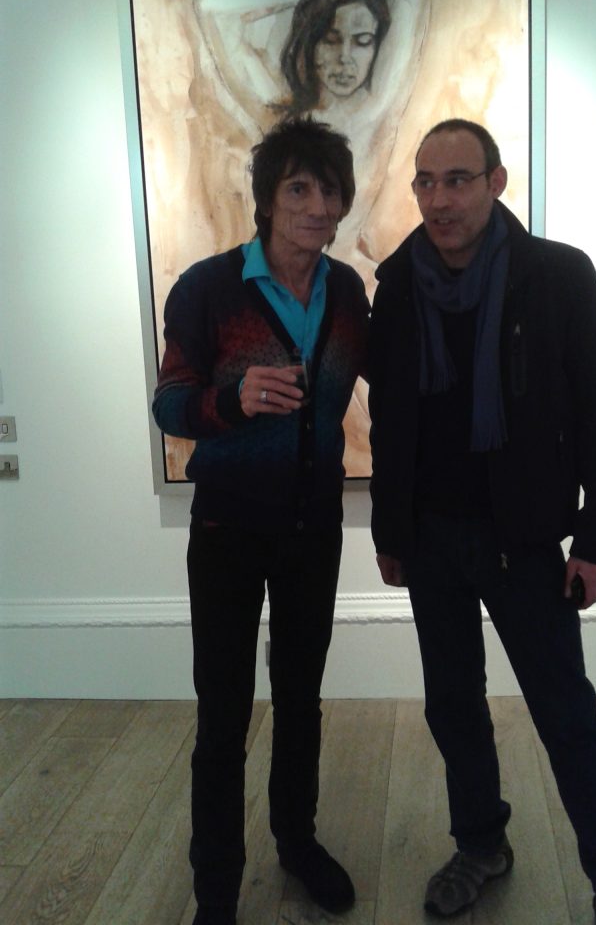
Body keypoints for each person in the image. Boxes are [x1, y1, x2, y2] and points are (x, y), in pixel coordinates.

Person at [367, 119, 596, 925]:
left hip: (525, 541)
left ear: (497, 183)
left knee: (566, 715)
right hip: (432, 540)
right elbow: (391, 419)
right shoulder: (398, 287)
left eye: (457, 179)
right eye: (425, 182)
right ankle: (480, 845)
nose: (439, 199)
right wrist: (390, 531)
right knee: (452, 707)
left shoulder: (558, 276)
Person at [153, 117, 369, 925]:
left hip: (314, 529)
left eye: (330, 191)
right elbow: (170, 405)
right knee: (224, 712)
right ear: (268, 201)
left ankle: (297, 841)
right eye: (298, 189)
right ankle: (216, 887)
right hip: (228, 532)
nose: (317, 206)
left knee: (302, 698)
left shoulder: (347, 294)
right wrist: (231, 400)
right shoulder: (208, 289)